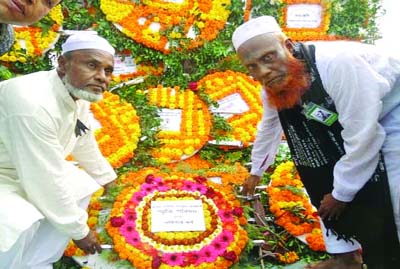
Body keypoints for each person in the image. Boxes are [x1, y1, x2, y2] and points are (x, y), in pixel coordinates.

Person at [233, 16, 400, 269]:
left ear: (288, 46)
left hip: (391, 113)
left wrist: (342, 194)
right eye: (253, 66)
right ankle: (345, 260)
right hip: (352, 124)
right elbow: (269, 127)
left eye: (268, 57)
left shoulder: (337, 64)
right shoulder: (273, 84)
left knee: (392, 194)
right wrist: (256, 171)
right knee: (321, 172)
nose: (263, 71)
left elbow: (364, 135)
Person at [0, 34, 117, 269]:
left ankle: (35, 263)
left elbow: (82, 139)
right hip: (5, 176)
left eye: (107, 70)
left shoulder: (75, 92)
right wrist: (80, 231)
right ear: (63, 64)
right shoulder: (32, 102)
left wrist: (109, 180)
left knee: (81, 186)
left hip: (25, 169)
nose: (101, 77)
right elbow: (44, 177)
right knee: (19, 221)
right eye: (92, 65)